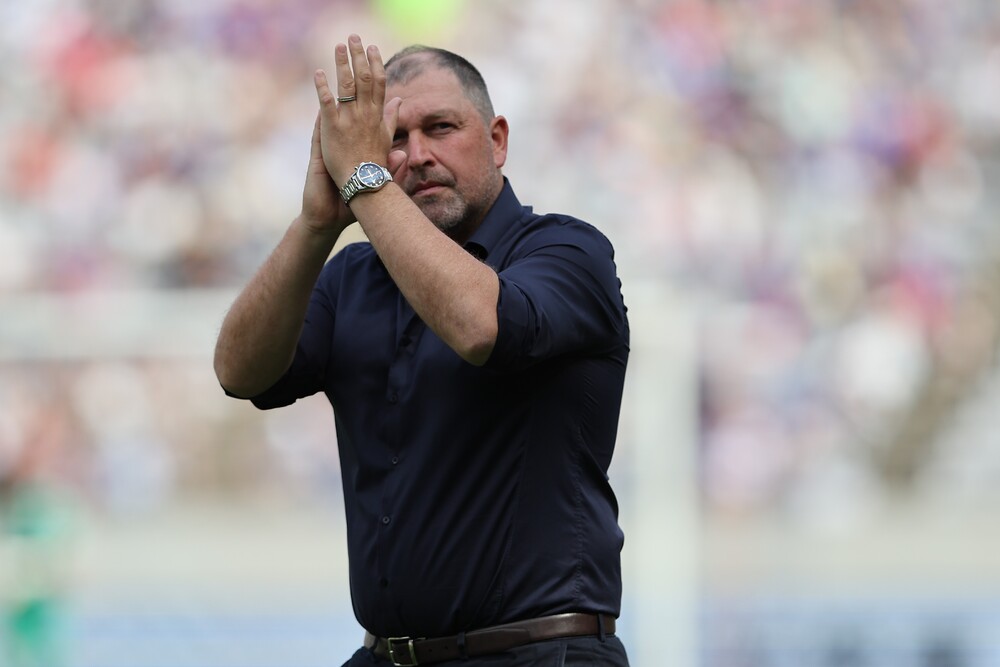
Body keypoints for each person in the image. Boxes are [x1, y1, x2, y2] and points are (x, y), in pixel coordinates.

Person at [214, 34, 630, 666]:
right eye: (393, 139)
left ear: (497, 139)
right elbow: (239, 372)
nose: (417, 155)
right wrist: (316, 225)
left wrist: (364, 180)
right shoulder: (351, 276)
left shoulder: (568, 252)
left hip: (540, 652)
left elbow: (480, 326)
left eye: (441, 127)